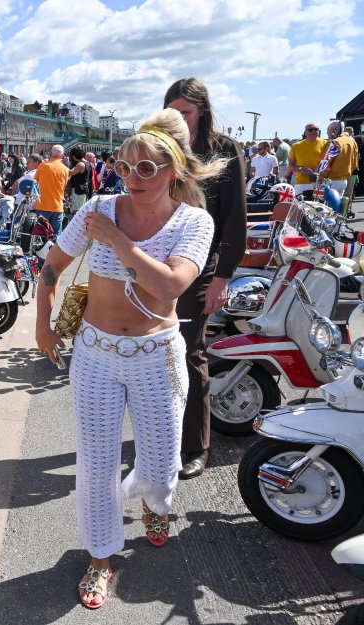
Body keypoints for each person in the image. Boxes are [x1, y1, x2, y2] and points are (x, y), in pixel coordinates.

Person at [36, 108, 221, 609]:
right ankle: (100, 558)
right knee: (95, 464)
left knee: (162, 467)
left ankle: (153, 503)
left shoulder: (194, 222)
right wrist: (42, 321)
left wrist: (116, 238)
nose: (134, 178)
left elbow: (169, 286)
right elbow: (51, 266)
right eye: (126, 166)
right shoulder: (97, 206)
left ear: (174, 172)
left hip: (157, 355)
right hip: (95, 353)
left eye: (148, 168)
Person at [165, 77, 247, 479]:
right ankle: (161, 433)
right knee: (156, 351)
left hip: (200, 264)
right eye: (173, 112)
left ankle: (195, 446)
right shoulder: (162, 144)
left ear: (202, 111)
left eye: (186, 113)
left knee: (190, 350)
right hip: (155, 262)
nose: (179, 120)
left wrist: (222, 277)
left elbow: (236, 221)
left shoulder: (224, 150)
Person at [34, 145, 71, 236]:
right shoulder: (66, 170)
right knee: (56, 235)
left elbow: (35, 181)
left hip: (43, 205)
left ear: (50, 154)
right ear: (62, 156)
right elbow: (64, 186)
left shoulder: (42, 166)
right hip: (58, 206)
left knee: (41, 234)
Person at [289, 123, 328, 198]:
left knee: (319, 207)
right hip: (301, 182)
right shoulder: (296, 146)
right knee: (301, 206)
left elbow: (330, 162)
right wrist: (301, 169)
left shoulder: (326, 144)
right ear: (305, 133)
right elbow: (291, 165)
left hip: (320, 182)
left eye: (316, 129)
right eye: (310, 130)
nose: (313, 131)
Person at [321, 120, 359, 197]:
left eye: (328, 131)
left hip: (331, 181)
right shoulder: (352, 141)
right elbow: (355, 164)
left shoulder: (335, 142)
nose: (328, 134)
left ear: (333, 130)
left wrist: (318, 179)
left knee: (328, 208)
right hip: (344, 180)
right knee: (339, 205)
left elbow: (324, 166)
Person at [66, 145, 94, 215]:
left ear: (74, 157)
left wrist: (65, 164)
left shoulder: (80, 164)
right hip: (84, 190)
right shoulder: (88, 163)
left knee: (77, 212)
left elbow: (69, 173)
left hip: (78, 191)